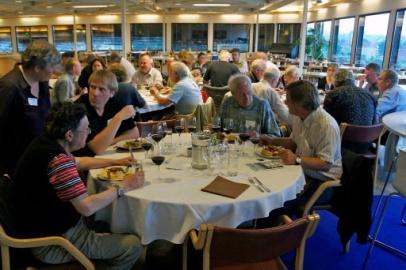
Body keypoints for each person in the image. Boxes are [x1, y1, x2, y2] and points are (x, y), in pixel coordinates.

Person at [12, 102, 144, 269]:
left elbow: (79, 162)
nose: (88, 134)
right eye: (86, 130)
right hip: (52, 242)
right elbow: (86, 207)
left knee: (110, 221)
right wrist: (125, 186)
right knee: (133, 245)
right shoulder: (58, 161)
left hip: (46, 226)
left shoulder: (47, 143)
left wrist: (116, 161)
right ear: (69, 135)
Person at [260, 80, 342, 219]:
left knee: (277, 202)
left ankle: (273, 234)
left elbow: (325, 164)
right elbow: (294, 142)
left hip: (323, 182)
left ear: (300, 105)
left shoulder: (325, 125)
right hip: (302, 173)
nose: (285, 102)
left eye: (288, 100)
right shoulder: (299, 117)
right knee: (265, 184)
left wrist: (296, 159)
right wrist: (272, 140)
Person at [0, 40, 61, 176]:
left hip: (38, 156)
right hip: (16, 164)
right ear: (37, 67)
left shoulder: (42, 82)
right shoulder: (9, 87)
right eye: (51, 66)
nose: (55, 70)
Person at [74, 70, 139, 156]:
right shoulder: (80, 108)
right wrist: (118, 118)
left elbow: (134, 133)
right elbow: (97, 148)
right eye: (93, 87)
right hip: (82, 161)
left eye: (101, 89)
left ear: (112, 93)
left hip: (108, 155)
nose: (95, 93)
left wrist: (108, 141)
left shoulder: (114, 103)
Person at [324, 69, 377, 153]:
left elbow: (326, 122)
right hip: (366, 145)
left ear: (335, 82)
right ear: (353, 80)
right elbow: (374, 122)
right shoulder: (369, 95)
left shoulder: (334, 94)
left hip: (343, 144)